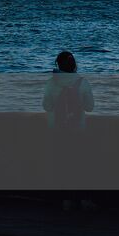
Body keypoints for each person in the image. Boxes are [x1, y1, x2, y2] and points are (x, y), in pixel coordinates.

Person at [42, 50, 95, 210]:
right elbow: (90, 107)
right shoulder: (82, 82)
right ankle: (83, 200)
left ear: (57, 65)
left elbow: (47, 106)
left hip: (58, 131)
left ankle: (65, 200)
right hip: (78, 131)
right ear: (74, 65)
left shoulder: (51, 83)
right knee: (80, 166)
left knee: (61, 165)